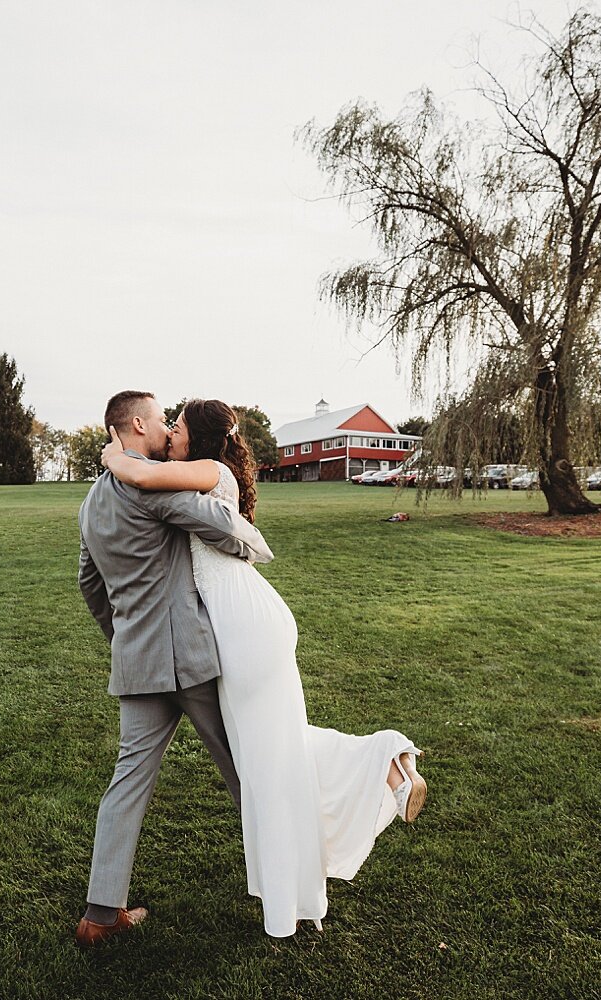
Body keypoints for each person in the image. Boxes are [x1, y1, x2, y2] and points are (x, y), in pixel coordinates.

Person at [99, 398, 426, 939]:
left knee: (266, 761)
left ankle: (376, 768)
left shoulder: (208, 471)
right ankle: (383, 766)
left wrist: (114, 453)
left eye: (177, 425)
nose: (170, 431)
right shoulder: (196, 474)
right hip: (242, 622)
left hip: (243, 627)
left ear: (198, 437)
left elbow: (136, 471)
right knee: (273, 750)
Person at [74, 390, 276, 948]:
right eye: (162, 419)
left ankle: (99, 914)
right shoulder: (146, 484)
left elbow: (90, 585)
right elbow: (222, 522)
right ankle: (283, 882)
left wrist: (125, 639)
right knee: (244, 771)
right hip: (188, 659)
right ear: (138, 423)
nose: (167, 428)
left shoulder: (92, 500)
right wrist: (254, 547)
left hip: (137, 663)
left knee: (127, 783)